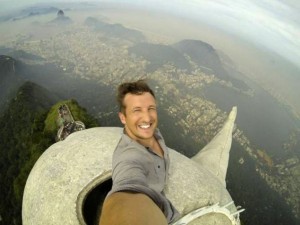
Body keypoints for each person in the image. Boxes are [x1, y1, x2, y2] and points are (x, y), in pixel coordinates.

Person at [99, 80, 179, 225]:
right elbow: (125, 192)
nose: (147, 118)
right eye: (137, 110)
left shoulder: (155, 134)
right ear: (123, 118)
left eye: (151, 108)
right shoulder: (129, 156)